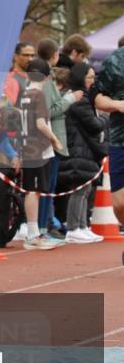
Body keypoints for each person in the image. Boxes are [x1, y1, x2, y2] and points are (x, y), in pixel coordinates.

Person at [35, 40, 82, 238]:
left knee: (49, 186)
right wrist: (69, 99)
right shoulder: (46, 80)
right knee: (46, 187)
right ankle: (42, 228)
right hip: (50, 140)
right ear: (54, 54)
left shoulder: (47, 77)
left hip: (51, 139)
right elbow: (49, 111)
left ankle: (44, 226)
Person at [17, 61, 62, 250]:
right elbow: (41, 124)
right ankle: (33, 235)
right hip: (38, 148)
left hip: (28, 146)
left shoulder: (25, 94)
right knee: (34, 191)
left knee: (32, 190)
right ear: (46, 77)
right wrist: (55, 139)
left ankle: (33, 232)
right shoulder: (39, 95)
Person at [64, 62, 106, 242]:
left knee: (86, 188)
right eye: (89, 77)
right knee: (79, 189)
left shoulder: (84, 97)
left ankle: (82, 225)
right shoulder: (79, 98)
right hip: (78, 147)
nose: (93, 81)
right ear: (81, 78)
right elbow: (94, 125)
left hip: (84, 147)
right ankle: (73, 227)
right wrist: (105, 119)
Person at [92, 42, 124, 226]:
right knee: (120, 204)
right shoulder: (116, 60)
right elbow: (97, 97)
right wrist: (117, 104)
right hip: (120, 139)